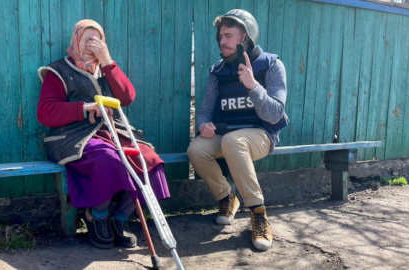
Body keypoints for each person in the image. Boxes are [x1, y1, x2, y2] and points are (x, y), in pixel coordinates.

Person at [37, 20, 170, 250]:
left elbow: (127, 97)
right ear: (76, 40)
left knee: (148, 159)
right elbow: (45, 112)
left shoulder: (106, 69)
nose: (92, 45)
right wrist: (85, 108)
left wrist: (108, 61)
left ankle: (119, 217)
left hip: (113, 132)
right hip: (72, 137)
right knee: (109, 159)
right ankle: (97, 216)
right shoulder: (58, 71)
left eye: (97, 40)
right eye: (86, 39)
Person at [187, 9, 288, 251]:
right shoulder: (218, 71)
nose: (221, 41)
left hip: (261, 135)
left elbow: (275, 114)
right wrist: (203, 125)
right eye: (220, 36)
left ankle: (258, 214)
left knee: (233, 141)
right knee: (196, 149)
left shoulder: (271, 65)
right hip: (227, 135)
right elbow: (204, 111)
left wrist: (253, 86)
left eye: (228, 36)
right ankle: (226, 198)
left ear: (246, 37)